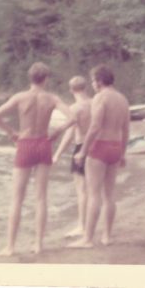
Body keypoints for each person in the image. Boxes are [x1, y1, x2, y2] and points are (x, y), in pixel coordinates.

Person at [0, 62, 75, 256]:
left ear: (30, 78)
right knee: (41, 197)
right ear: (46, 79)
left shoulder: (20, 97)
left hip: (25, 144)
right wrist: (57, 132)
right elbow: (72, 117)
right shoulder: (52, 98)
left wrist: (11, 133)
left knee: (17, 199)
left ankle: (10, 246)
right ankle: (38, 244)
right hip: (44, 143)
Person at [68, 64, 130, 248]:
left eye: (94, 80)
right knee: (110, 195)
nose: (93, 84)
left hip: (100, 147)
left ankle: (87, 239)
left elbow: (95, 127)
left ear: (100, 81)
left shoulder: (100, 98)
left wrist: (83, 151)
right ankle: (107, 236)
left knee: (94, 194)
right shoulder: (123, 99)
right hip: (116, 147)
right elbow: (126, 129)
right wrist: (123, 153)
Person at [52, 76, 92, 238]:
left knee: (81, 190)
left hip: (81, 147)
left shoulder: (75, 108)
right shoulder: (95, 103)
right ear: (86, 87)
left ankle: (82, 226)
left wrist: (57, 155)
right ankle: (90, 224)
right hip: (96, 147)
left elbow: (69, 135)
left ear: (71, 90)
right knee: (94, 190)